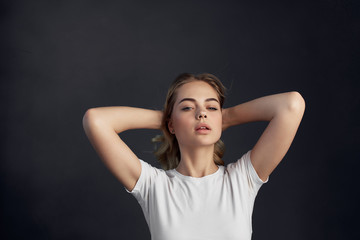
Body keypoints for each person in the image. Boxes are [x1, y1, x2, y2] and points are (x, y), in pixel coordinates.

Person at [82, 73, 305, 240]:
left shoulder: (241, 179)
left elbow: (291, 105)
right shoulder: (154, 187)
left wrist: (225, 117)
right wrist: (169, 119)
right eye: (188, 108)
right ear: (171, 124)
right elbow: (96, 120)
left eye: (212, 107)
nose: (202, 113)